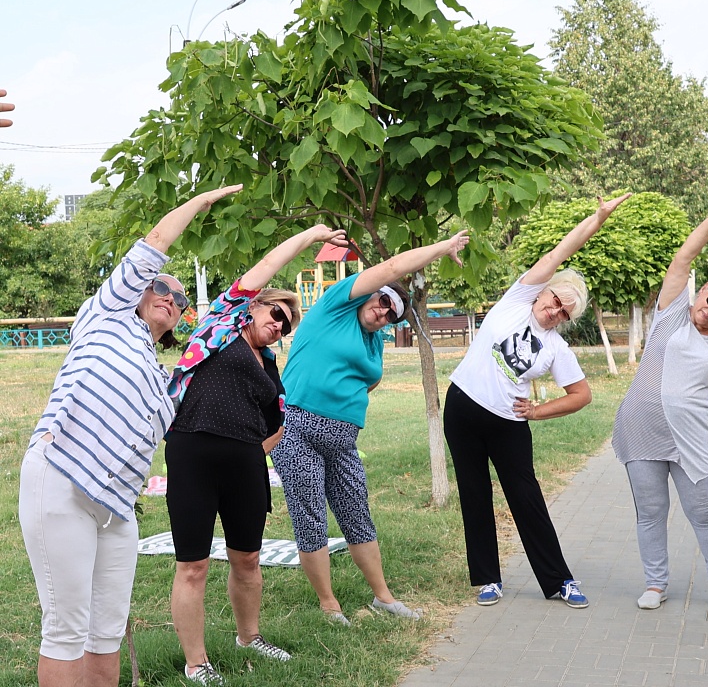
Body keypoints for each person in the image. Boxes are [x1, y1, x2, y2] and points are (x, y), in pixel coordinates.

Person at [18, 184, 242, 687]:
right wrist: (199, 202)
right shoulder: (106, 316)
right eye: (161, 287)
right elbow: (155, 243)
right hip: (63, 478)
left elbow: (236, 309)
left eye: (181, 298)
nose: (170, 297)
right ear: (139, 291)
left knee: (107, 632)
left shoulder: (163, 379)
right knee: (66, 629)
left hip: (115, 509)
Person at [164, 224, 347, 685]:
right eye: (276, 311)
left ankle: (249, 638)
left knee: (247, 558)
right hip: (192, 450)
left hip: (244, 464)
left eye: (287, 323)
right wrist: (311, 237)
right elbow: (266, 266)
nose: (280, 323)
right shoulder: (220, 324)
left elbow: (278, 422)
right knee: (194, 564)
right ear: (255, 304)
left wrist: (250, 452)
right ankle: (195, 663)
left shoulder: (269, 365)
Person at [443, 193, 632, 610]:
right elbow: (561, 251)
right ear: (543, 292)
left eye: (564, 312)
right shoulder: (516, 300)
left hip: (509, 424)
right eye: (554, 301)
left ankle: (558, 580)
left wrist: (539, 412)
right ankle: (488, 579)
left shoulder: (556, 349)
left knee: (526, 497)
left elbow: (582, 394)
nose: (553, 312)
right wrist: (596, 218)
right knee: (473, 493)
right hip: (461, 409)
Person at [274, 229, 470, 624]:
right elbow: (395, 266)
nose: (383, 312)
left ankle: (383, 597)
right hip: (295, 428)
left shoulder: (374, 341)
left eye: (392, 313)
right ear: (371, 293)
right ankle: (329, 606)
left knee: (356, 512)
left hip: (343, 440)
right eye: (383, 301)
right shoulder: (336, 306)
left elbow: (371, 379)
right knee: (310, 512)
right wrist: (442, 247)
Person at [612, 196, 708, 615]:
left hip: (692, 439)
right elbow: (683, 257)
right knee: (651, 512)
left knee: (706, 514)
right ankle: (655, 584)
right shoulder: (672, 312)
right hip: (642, 428)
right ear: (703, 290)